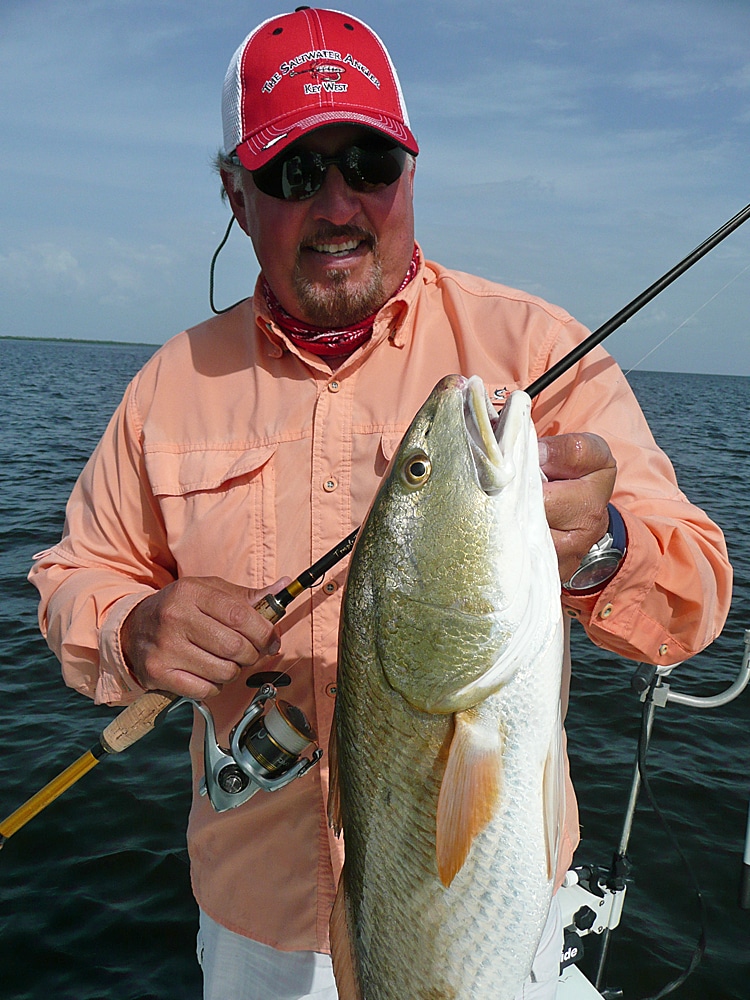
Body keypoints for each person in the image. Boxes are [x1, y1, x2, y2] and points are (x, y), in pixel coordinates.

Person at [29, 8, 732, 1000]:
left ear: (411, 172)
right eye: (291, 173)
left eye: (367, 161)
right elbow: (71, 577)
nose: (338, 203)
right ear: (236, 195)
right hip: (255, 928)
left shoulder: (532, 349)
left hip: (499, 907)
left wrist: (603, 546)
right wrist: (134, 626)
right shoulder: (168, 384)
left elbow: (696, 594)